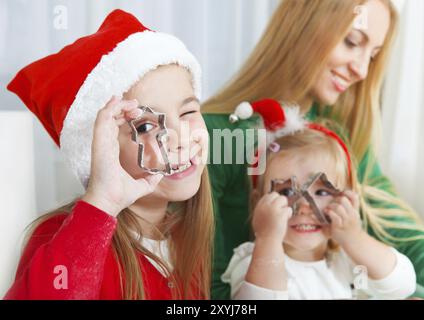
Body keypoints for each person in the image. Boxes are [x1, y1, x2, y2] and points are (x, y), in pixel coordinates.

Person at [201, 0, 424, 299]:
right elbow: (204, 286)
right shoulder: (218, 137)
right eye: (351, 42)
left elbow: (401, 237)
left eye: (372, 55)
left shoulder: (338, 133)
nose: (361, 69)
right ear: (305, 25)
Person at [4, 9, 213, 300]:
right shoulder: (62, 237)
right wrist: (102, 202)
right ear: (100, 151)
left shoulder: (183, 236)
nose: (179, 138)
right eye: (145, 126)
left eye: (188, 111)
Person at [221, 99, 416, 300]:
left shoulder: (348, 261)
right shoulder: (253, 260)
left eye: (322, 193)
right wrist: (268, 239)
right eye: (287, 192)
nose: (305, 206)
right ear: (257, 203)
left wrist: (353, 236)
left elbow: (402, 286)